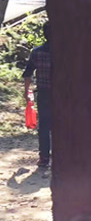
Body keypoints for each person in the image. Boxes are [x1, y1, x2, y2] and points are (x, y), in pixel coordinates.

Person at [23, 22, 52, 168]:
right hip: (63, 95)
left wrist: (26, 92)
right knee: (62, 123)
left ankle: (44, 157)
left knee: (44, 125)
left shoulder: (37, 52)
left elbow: (28, 73)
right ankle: (62, 156)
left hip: (44, 93)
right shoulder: (66, 52)